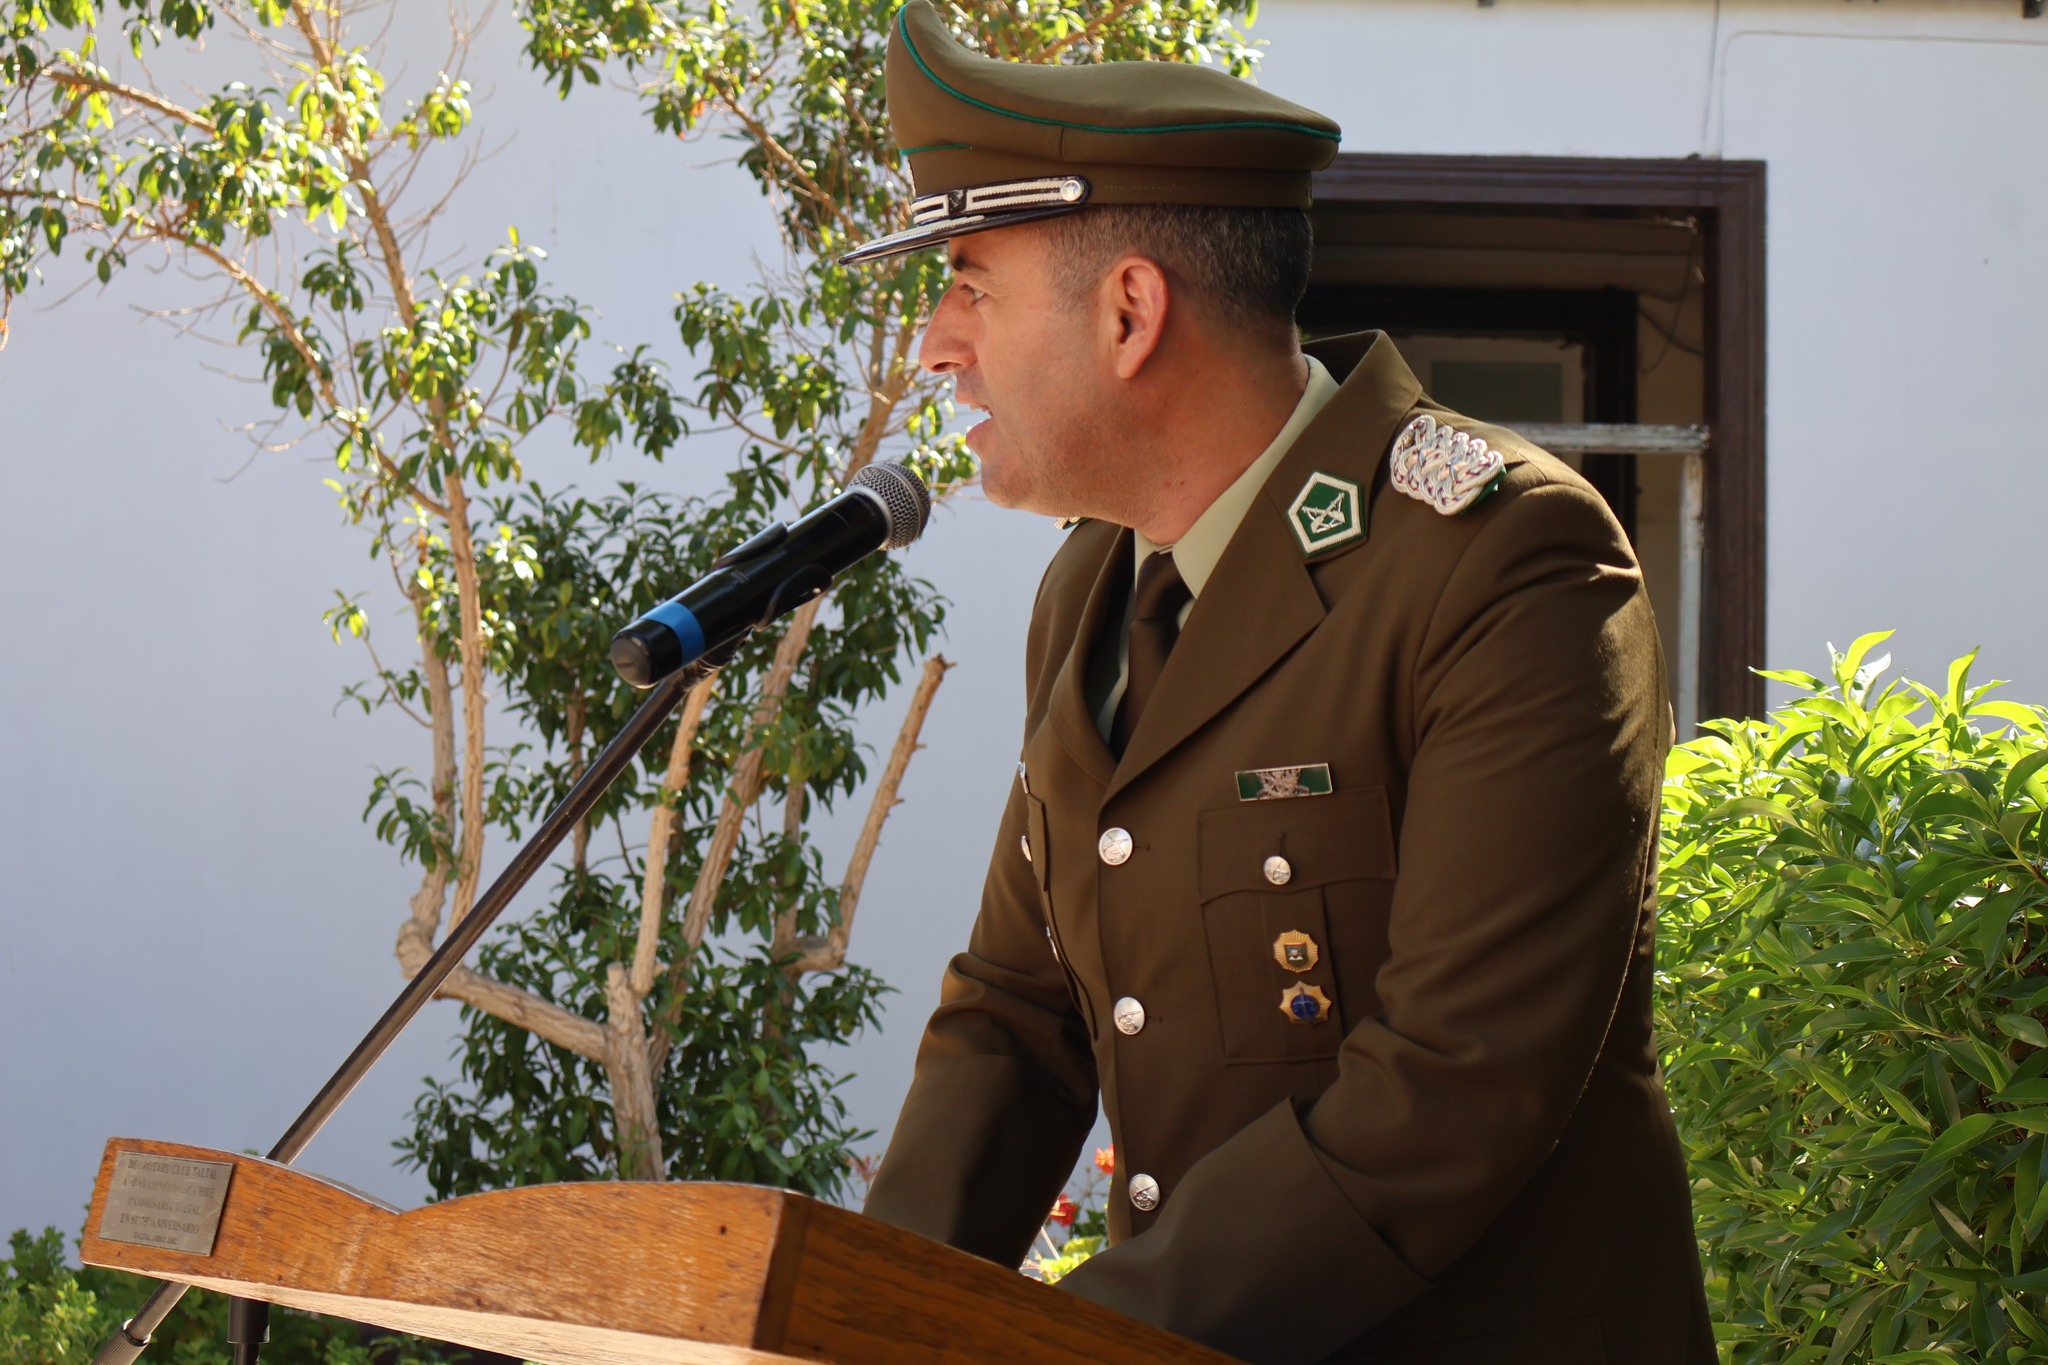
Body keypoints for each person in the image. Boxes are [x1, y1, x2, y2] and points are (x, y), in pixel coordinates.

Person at [842, 6, 1715, 1362]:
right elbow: (1020, 1014)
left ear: (1131, 310)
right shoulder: (1092, 591)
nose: (934, 343)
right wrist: (862, 1323)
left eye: (968, 283)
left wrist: (1069, 1347)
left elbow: (1456, 1084)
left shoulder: (1504, 562)